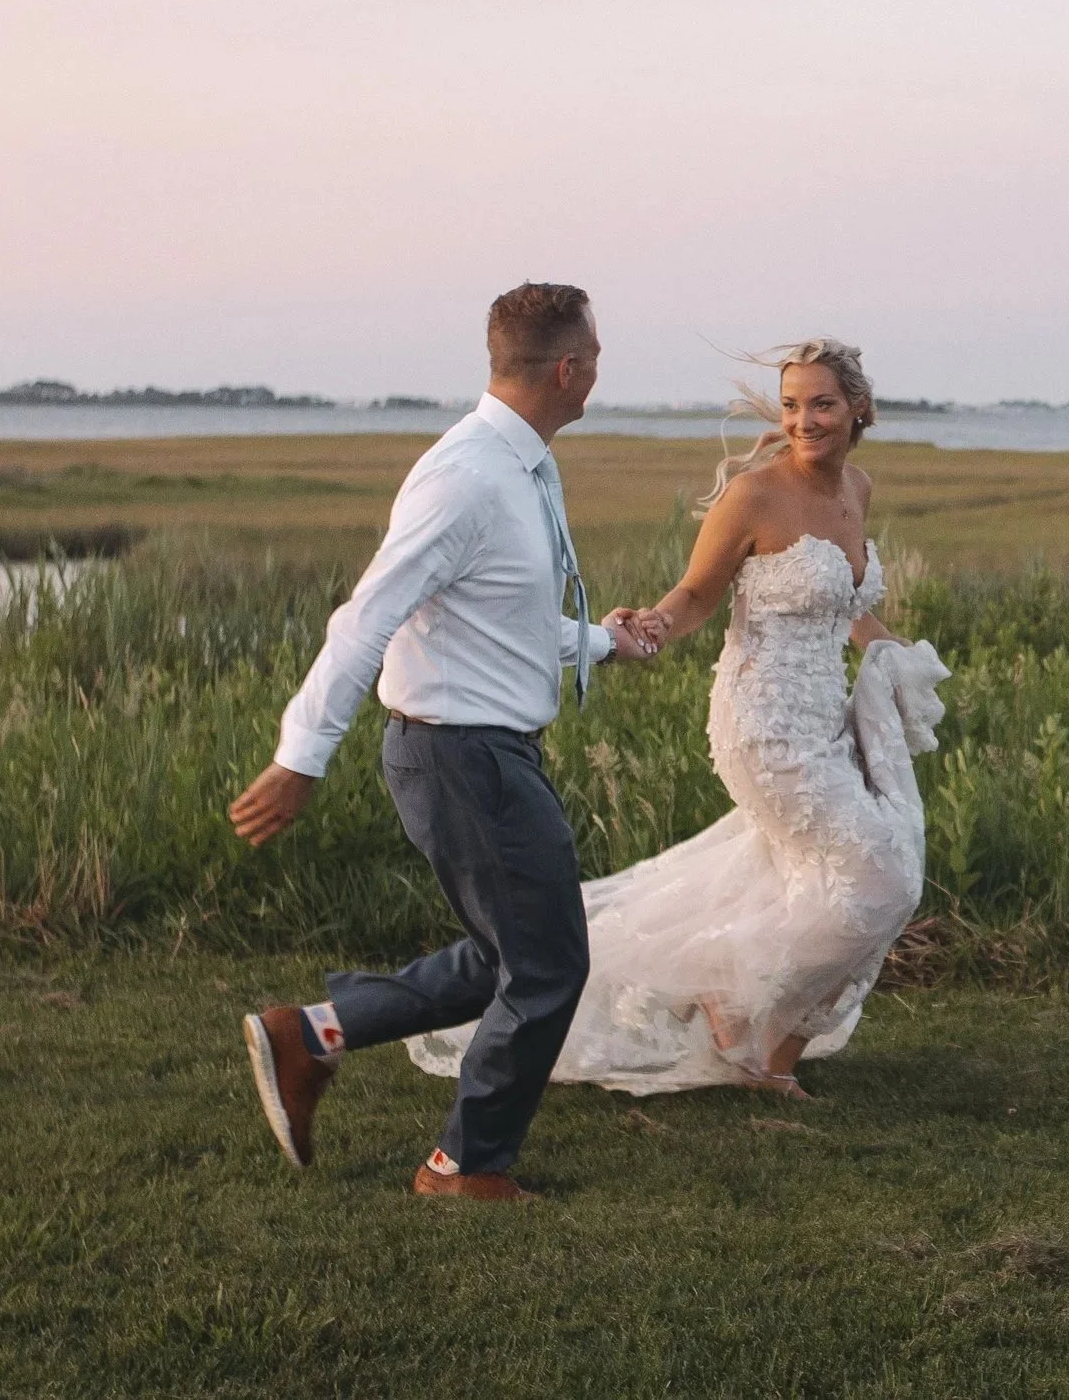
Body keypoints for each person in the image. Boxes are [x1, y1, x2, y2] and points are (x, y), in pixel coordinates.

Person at [404, 339, 949, 1099]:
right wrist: (647, 628)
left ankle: (771, 1055)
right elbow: (695, 594)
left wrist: (895, 649)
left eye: (821, 403)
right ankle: (726, 995)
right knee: (884, 876)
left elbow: (847, 602)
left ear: (858, 408)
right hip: (764, 726)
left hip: (828, 716)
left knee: (820, 881)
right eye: (791, 404)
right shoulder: (754, 496)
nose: (803, 420)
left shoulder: (858, 485)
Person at [229, 283, 656, 1203]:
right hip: (462, 755)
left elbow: (508, 619)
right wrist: (300, 754)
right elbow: (366, 617)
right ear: (568, 368)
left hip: (487, 750)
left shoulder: (524, 469)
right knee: (547, 964)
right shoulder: (466, 476)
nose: (597, 374)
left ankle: (311, 1037)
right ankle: (464, 1166)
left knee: (511, 953)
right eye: (596, 356)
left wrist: (601, 639)